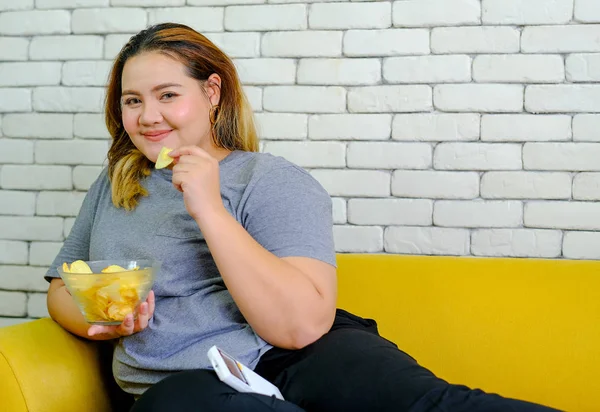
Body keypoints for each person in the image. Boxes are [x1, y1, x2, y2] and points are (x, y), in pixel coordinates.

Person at [45, 23, 560, 412]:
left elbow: (298, 327)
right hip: (185, 381)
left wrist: (208, 206)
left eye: (167, 95)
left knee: (431, 407)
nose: (147, 116)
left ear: (211, 92)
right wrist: (102, 319)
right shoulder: (117, 185)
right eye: (132, 100)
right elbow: (61, 289)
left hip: (300, 355)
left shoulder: (268, 179)